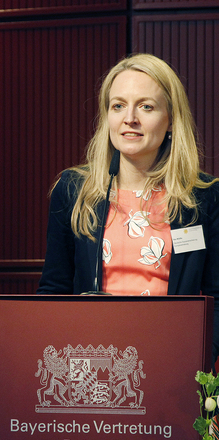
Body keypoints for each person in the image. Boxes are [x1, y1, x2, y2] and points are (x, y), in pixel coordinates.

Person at [37, 53, 219, 364]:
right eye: (118, 105)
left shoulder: (203, 196)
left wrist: (193, 360)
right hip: (91, 358)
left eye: (146, 107)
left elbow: (217, 299)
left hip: (172, 360)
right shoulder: (73, 190)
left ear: (171, 120)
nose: (129, 118)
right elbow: (54, 289)